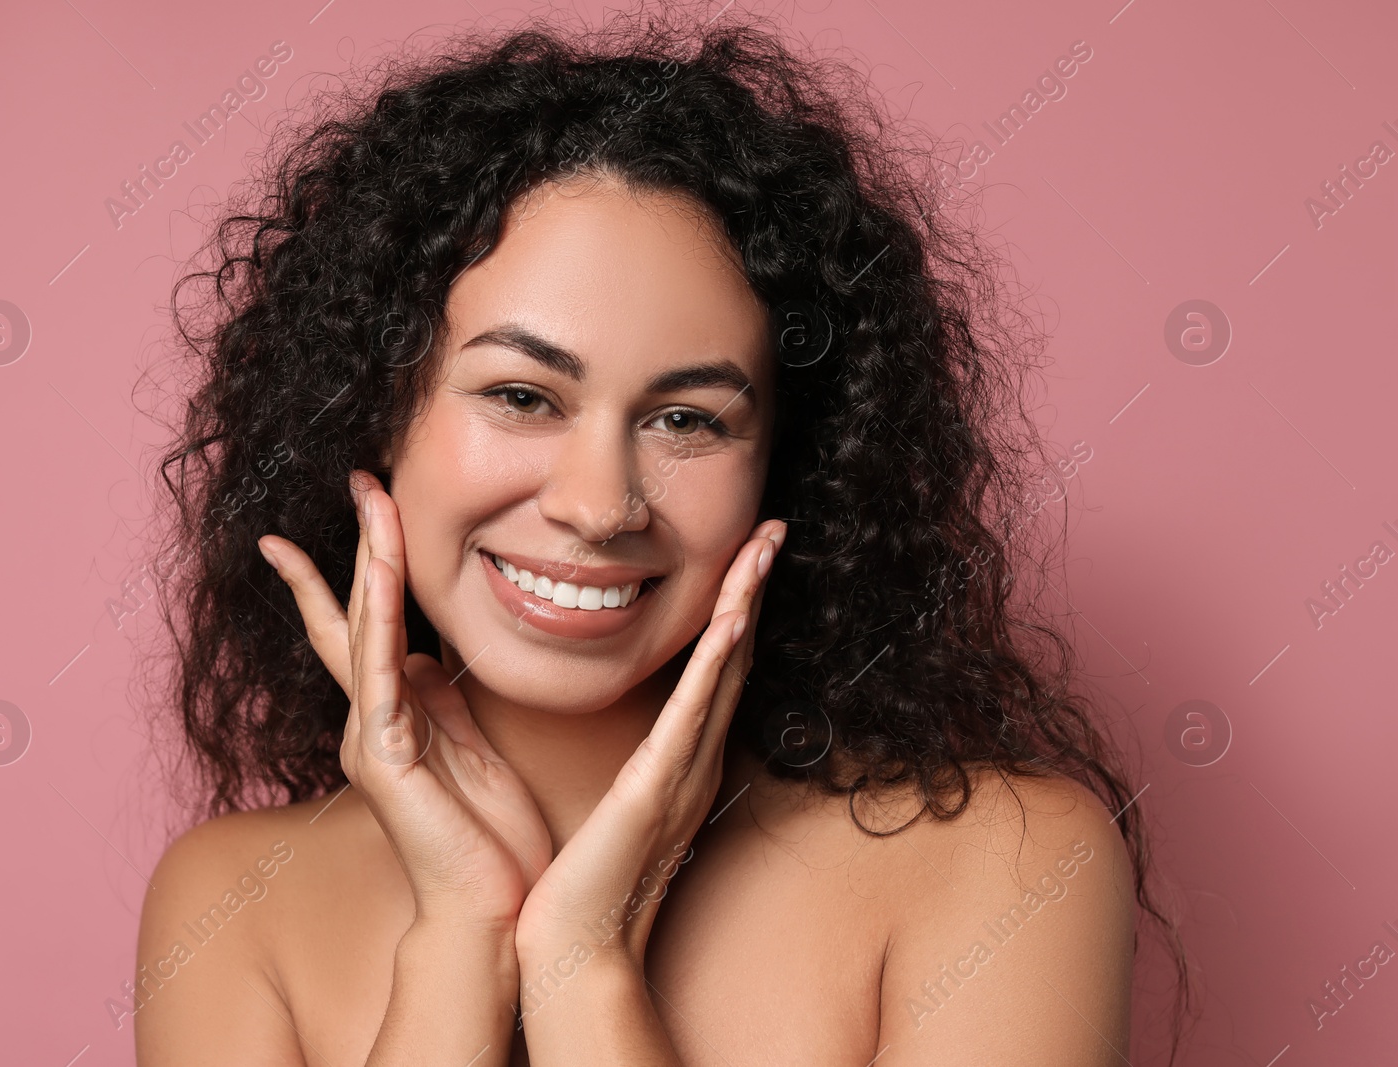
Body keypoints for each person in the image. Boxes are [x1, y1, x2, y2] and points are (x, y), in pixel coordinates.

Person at [132, 9, 1189, 1065]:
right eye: (520, 394)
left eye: (686, 419)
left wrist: (583, 965)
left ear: (789, 464)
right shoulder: (233, 906)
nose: (601, 505)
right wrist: (459, 937)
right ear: (367, 416)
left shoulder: (1004, 865)